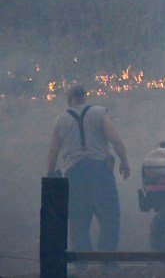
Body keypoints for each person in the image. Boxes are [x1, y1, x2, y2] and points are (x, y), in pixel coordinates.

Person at [45, 84, 130, 252]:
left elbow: (53, 151)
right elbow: (115, 139)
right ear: (85, 96)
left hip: (74, 174)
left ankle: (81, 266)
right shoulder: (100, 112)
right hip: (100, 172)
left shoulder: (60, 120)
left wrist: (49, 176)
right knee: (109, 218)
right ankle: (107, 263)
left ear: (69, 99)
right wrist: (124, 161)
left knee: (78, 221)